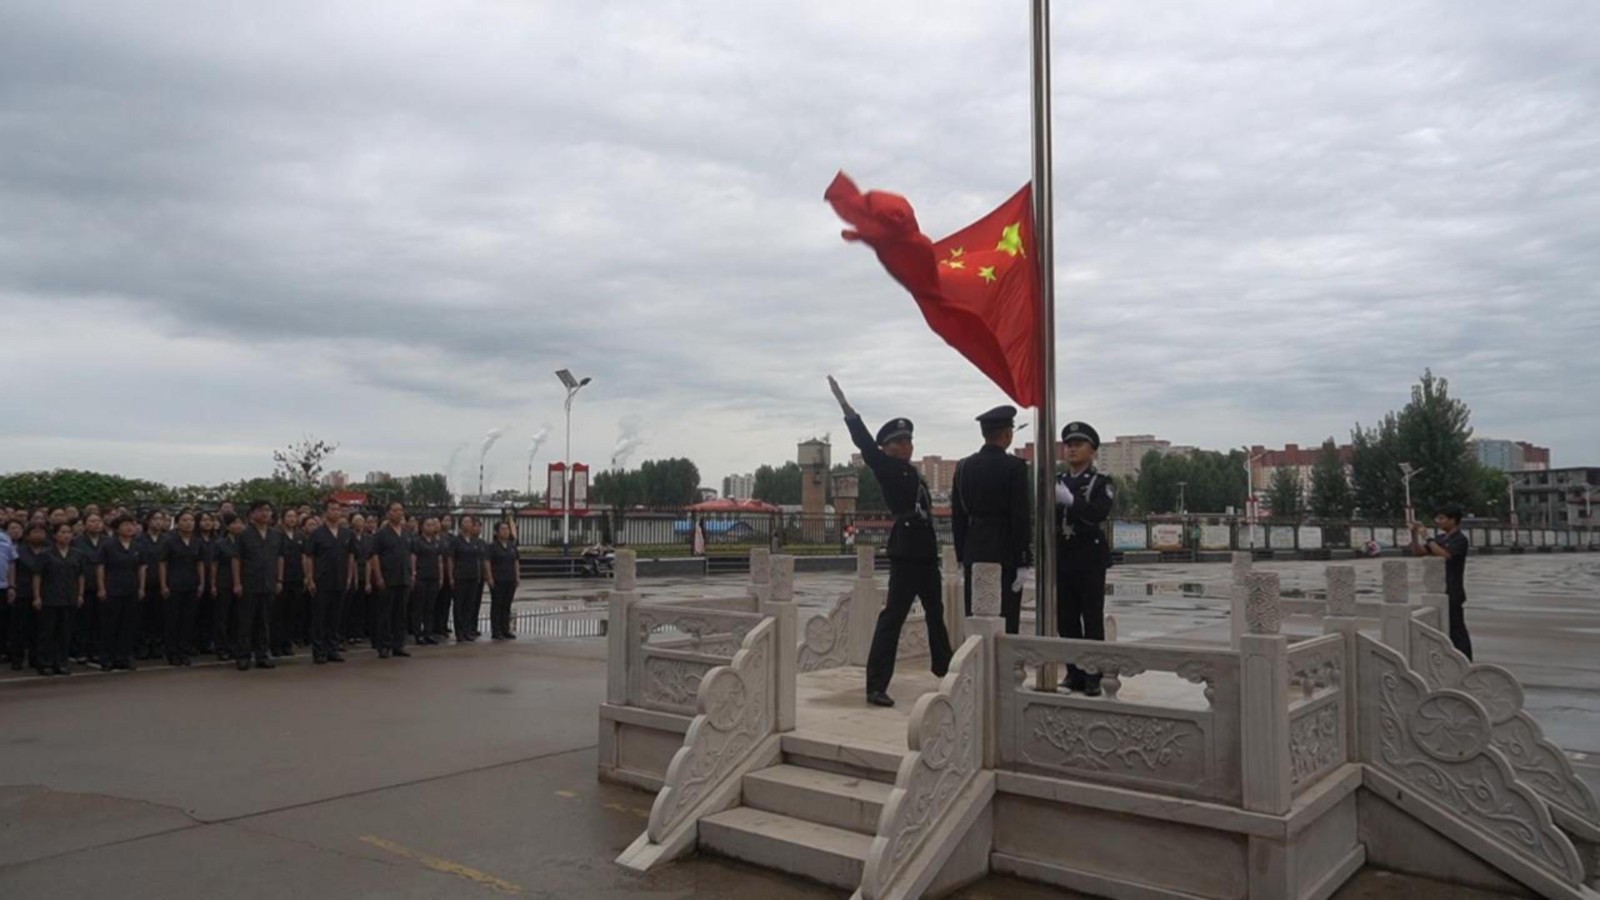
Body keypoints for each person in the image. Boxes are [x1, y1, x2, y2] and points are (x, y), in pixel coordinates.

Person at [828, 375, 952, 708]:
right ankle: (876, 684)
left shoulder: (913, 473)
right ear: (888, 448)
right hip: (906, 552)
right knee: (893, 618)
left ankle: (945, 667)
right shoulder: (885, 467)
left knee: (935, 611)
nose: (907, 445)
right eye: (900, 442)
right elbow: (866, 446)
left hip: (924, 551)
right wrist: (848, 411)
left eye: (909, 441)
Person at [950, 405, 1032, 634]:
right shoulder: (1015, 467)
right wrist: (1023, 559)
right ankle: (1005, 669)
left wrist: (961, 556)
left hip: (974, 550)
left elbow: (958, 515)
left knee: (976, 616)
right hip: (1005, 552)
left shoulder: (963, 466)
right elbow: (1020, 516)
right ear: (1007, 434)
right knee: (1006, 619)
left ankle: (978, 665)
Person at [1055, 421, 1116, 696]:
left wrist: (1071, 502)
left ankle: (1093, 673)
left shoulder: (1101, 483)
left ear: (1092, 450)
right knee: (1066, 619)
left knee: (1091, 617)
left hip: (1089, 558)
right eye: (1068, 444)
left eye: (1078, 444)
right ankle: (1073, 672)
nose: (1072, 449)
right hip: (1064, 556)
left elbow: (1097, 513)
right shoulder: (1059, 482)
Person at [1411, 502, 1473, 659]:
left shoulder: (1460, 540)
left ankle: (1465, 659)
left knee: (1456, 629)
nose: (1437, 521)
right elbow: (1419, 552)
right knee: (1441, 627)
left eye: (1441, 518)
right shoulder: (1439, 538)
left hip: (1452, 590)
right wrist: (1414, 534)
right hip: (1437, 589)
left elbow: (1446, 555)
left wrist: (1427, 537)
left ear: (1453, 520)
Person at [234, 501, 283, 671]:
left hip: (269, 582)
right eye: (261, 510)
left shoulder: (276, 535)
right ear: (252, 514)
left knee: (264, 621)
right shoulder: (244, 535)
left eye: (268, 510)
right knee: (246, 621)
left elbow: (279, 558)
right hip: (249, 583)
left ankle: (262, 655)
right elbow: (237, 560)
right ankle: (243, 656)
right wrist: (237, 582)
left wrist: (279, 580)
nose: (265, 513)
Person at [33, 522, 87, 676]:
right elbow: (37, 576)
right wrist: (37, 597)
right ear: (55, 535)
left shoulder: (77, 553)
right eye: (62, 532)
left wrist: (80, 594)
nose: (66, 535)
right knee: (47, 632)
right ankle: (45, 662)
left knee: (65, 632)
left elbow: (80, 576)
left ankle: (62, 662)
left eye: (69, 532)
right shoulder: (45, 554)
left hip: (69, 597)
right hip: (49, 597)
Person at [305, 500, 355, 664]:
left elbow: (350, 556)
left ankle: (332, 648)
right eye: (332, 509)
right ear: (325, 512)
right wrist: (310, 578)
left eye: (338, 509)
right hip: (322, 580)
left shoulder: (346, 533)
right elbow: (309, 557)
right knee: (320, 617)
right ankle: (319, 651)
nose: (335, 512)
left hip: (340, 580)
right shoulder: (317, 534)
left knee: (335, 616)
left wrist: (349, 577)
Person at [97, 515, 146, 671]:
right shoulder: (108, 545)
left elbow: (142, 568)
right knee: (110, 625)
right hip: (113, 588)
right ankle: (106, 657)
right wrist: (101, 588)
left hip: (131, 589)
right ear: (117, 528)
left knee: (128, 625)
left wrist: (141, 588)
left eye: (131, 524)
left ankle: (123, 656)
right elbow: (100, 567)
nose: (129, 528)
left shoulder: (138, 546)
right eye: (125, 525)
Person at [158, 510, 205, 667]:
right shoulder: (169, 541)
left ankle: (184, 650)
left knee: (188, 619)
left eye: (191, 520)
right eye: (184, 520)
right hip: (174, 584)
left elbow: (200, 563)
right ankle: (172, 652)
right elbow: (163, 563)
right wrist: (164, 584)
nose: (189, 523)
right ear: (177, 523)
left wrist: (201, 583)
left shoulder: (197, 542)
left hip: (191, 584)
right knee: (173, 619)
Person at [369, 502, 414, 659]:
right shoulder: (381, 534)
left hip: (404, 578)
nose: (399, 513)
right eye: (395, 510)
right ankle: (384, 645)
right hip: (388, 579)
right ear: (388, 513)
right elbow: (374, 556)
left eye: (401, 510)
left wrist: (412, 573)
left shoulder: (407, 533)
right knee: (385, 614)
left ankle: (398, 645)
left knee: (400, 614)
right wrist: (379, 576)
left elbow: (410, 555)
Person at [71, 512, 109, 666]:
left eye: (98, 521)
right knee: (83, 621)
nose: (96, 524)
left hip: (103, 586)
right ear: (85, 524)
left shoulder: (108, 542)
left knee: (100, 621)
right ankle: (81, 651)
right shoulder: (76, 542)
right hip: (83, 586)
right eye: (92, 521)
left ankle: (97, 650)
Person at [8, 523, 46, 670]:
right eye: (35, 532)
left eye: (41, 532)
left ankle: (35, 658)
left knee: (39, 628)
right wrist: (13, 587)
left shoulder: (48, 551)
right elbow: (12, 571)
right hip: (22, 592)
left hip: (43, 594)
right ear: (28, 535)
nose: (38, 535)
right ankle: (16, 659)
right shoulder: (19, 551)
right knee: (19, 628)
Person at [451, 516, 489, 643]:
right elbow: (451, 559)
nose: (468, 524)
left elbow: (480, 560)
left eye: (470, 522)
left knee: (470, 605)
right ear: (460, 524)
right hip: (460, 576)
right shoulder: (456, 541)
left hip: (473, 576)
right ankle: (460, 632)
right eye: (465, 522)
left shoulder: (475, 541)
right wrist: (451, 576)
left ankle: (468, 631)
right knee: (459, 605)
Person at [273, 509, 306, 657]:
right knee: (278, 613)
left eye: (294, 516)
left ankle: (287, 643)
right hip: (282, 578)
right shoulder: (276, 535)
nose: (292, 519)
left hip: (297, 578)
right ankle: (275, 644)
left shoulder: (300, 536)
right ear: (282, 518)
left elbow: (305, 557)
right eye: (289, 516)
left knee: (292, 612)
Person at [211, 514, 243, 661]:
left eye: (240, 523)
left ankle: (235, 646)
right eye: (235, 523)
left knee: (237, 617)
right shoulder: (220, 544)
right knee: (222, 617)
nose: (238, 526)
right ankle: (221, 647)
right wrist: (213, 584)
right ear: (228, 526)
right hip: (224, 582)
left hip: (242, 583)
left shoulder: (245, 542)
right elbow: (214, 565)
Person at [410, 516, 444, 645]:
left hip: (433, 577)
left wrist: (441, 577)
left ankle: (429, 633)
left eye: (432, 525)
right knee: (419, 606)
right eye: (428, 524)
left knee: (430, 607)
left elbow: (440, 560)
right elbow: (413, 558)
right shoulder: (417, 541)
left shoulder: (437, 542)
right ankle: (418, 633)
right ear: (422, 526)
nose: (431, 527)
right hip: (421, 576)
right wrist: (413, 573)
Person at [486, 520, 519, 639]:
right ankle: (496, 630)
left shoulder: (511, 546)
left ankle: (506, 629)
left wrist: (517, 576)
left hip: (510, 579)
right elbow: (487, 562)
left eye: (507, 529)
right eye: (502, 529)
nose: (505, 531)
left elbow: (515, 561)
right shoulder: (492, 547)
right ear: (496, 532)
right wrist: (489, 577)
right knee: (497, 605)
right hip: (497, 579)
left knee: (507, 605)